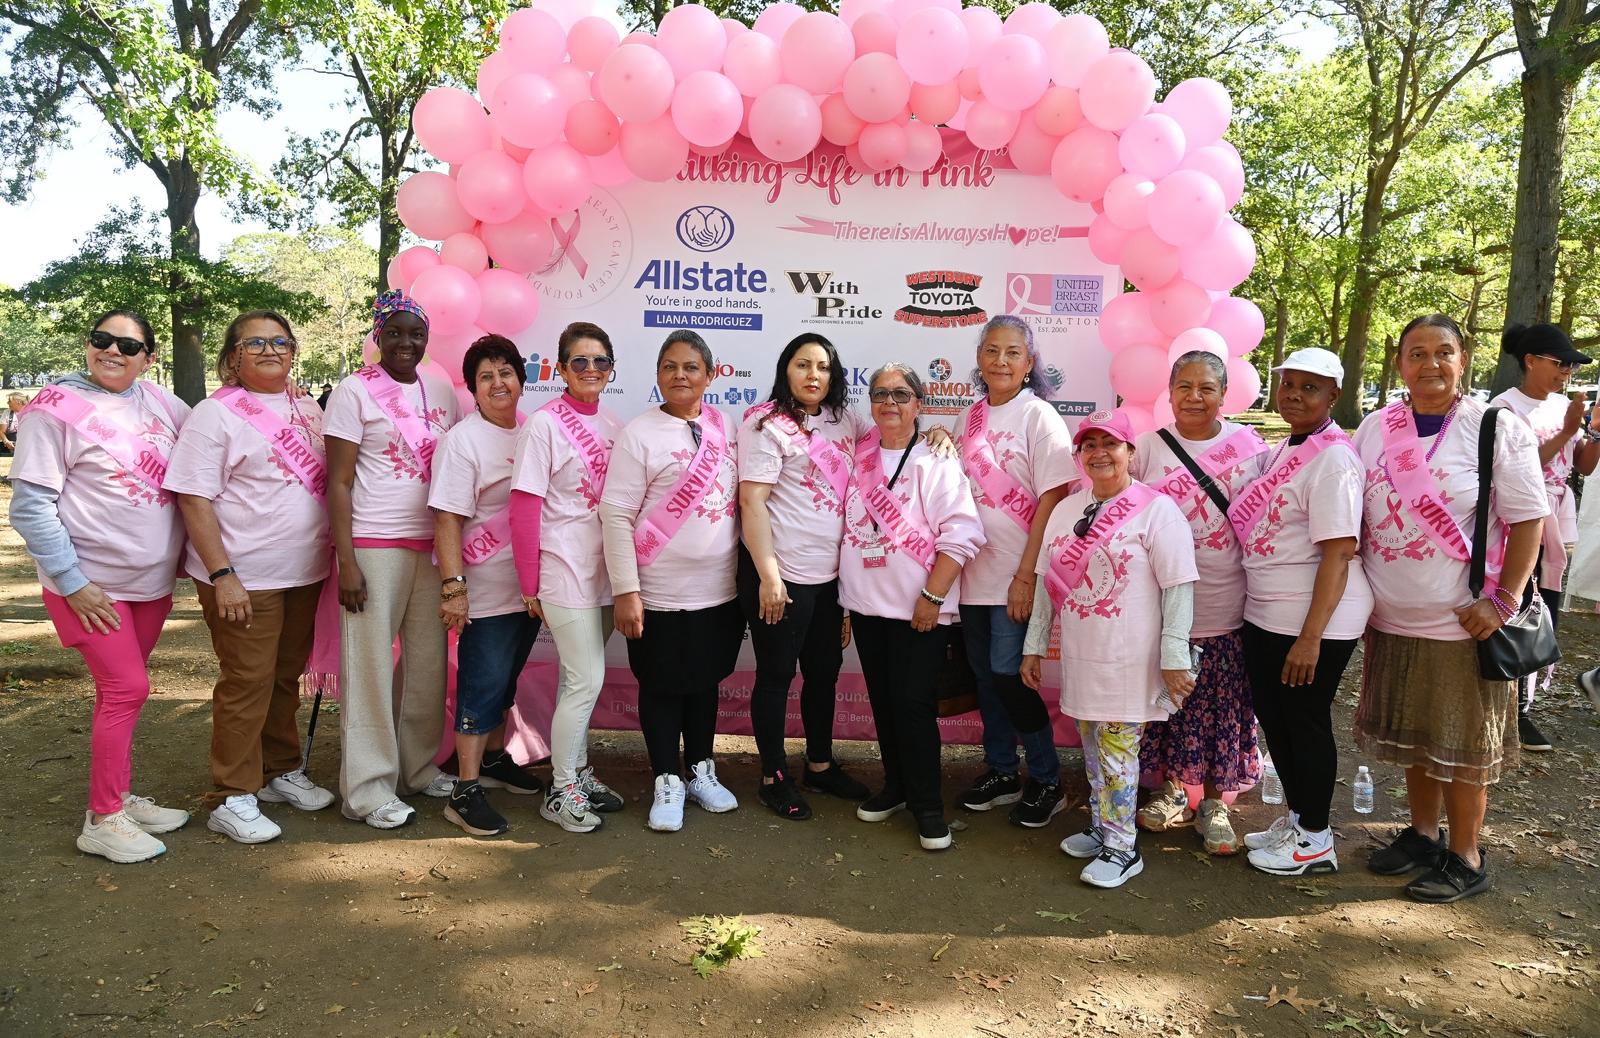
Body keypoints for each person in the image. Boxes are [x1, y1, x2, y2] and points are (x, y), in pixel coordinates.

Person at [1354, 314, 1546, 903]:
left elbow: (1528, 518)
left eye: (1443, 352)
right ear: (1399, 363)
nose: (1430, 365)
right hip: (1392, 619)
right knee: (1416, 739)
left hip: (1465, 623)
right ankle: (1421, 835)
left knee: (1461, 747)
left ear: (1464, 360)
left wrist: (1503, 600)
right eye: (1416, 353)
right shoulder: (1375, 427)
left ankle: (1465, 853)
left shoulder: (1493, 427)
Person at [8, 310, 192, 863]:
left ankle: (120, 795)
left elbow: (212, 435)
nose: (112, 352)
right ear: (88, 345)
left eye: (128, 346)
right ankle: (103, 817)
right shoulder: (53, 410)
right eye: (101, 340)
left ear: (148, 358)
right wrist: (72, 582)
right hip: (90, 586)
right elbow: (32, 507)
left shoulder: (161, 403)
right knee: (127, 689)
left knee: (123, 695)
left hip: (151, 583)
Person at [167, 311, 336, 845]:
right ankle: (231, 794)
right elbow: (193, 497)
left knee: (286, 675)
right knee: (246, 682)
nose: (270, 350)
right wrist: (223, 574)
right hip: (244, 575)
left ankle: (278, 769)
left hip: (303, 572)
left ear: (293, 350)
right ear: (233, 354)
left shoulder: (306, 405)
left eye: (280, 341)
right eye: (255, 342)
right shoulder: (215, 415)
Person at [1021, 409, 1197, 889]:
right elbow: (1044, 583)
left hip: (1130, 660)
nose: (1100, 453)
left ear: (1130, 452)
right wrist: (1034, 645)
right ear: (1079, 455)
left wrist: (1174, 654)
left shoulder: (1157, 510)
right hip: (1083, 655)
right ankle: (1103, 827)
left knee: (1120, 753)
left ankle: (1123, 849)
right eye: (1090, 445)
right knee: (1095, 750)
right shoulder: (1065, 510)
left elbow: (1178, 587)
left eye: (1110, 443)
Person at [323, 290, 462, 830]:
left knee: (427, 666)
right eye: (396, 332)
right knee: (370, 670)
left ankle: (418, 769)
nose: (407, 342)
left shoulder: (442, 387)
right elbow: (337, 483)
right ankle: (366, 787)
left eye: (416, 333)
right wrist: (347, 561)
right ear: (378, 335)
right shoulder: (354, 392)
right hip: (374, 544)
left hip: (430, 546)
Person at [1233, 348, 1373, 876]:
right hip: (1269, 610)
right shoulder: (1285, 448)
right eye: (1287, 383)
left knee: (1305, 721)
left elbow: (1339, 551)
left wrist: (1311, 638)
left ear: (1333, 395)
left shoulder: (1333, 458)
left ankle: (1315, 837)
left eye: (1309, 387)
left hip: (1313, 618)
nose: (1293, 394)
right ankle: (1297, 816)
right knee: (1277, 719)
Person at [839, 364, 985, 851]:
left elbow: (962, 535)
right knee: (883, 703)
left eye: (901, 394)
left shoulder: (936, 460)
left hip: (920, 610)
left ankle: (927, 805)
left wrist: (932, 596)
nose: (890, 402)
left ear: (919, 404)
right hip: (866, 607)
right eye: (880, 393)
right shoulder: (858, 454)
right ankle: (896, 787)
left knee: (914, 707)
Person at [601, 331, 743, 832]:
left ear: (710, 373)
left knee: (705, 682)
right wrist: (626, 589)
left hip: (718, 591)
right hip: (656, 592)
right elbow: (616, 514)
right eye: (669, 366)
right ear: (658, 374)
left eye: (690, 366)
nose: (679, 375)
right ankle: (667, 777)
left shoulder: (726, 426)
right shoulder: (639, 433)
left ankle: (701, 770)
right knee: (660, 685)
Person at [1129, 351, 1267, 855]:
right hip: (1160, 600)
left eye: (1206, 387)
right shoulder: (1146, 448)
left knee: (1221, 704)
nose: (1194, 397)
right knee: (1167, 701)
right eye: (1184, 386)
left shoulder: (1249, 448)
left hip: (1226, 597)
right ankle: (1169, 790)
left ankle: (1212, 802)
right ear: (1168, 392)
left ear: (1223, 395)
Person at [738, 333, 872, 819]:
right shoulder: (764, 422)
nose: (814, 375)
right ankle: (773, 776)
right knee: (776, 677)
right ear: (785, 369)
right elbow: (751, 501)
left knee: (824, 675)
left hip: (832, 578)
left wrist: (935, 434)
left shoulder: (845, 422)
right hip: (782, 575)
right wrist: (768, 576)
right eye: (802, 365)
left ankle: (819, 764)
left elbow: (891, 446)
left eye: (823, 367)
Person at [955, 315, 1075, 826]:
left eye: (1012, 353)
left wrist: (1027, 574)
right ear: (980, 358)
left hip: (1015, 574)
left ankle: (1048, 779)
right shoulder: (969, 418)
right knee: (986, 680)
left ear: (1029, 364)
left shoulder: (1039, 416)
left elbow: (1053, 496)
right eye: (992, 351)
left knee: (1011, 676)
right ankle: (1002, 769)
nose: (1001, 361)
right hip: (971, 575)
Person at [510, 322, 627, 833]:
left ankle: (577, 771)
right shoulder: (543, 425)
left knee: (576, 682)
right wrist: (529, 582)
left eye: (601, 361)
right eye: (580, 361)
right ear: (560, 368)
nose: (591, 370)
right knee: (587, 680)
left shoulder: (614, 424)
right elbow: (524, 506)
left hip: (602, 573)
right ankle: (560, 791)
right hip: (562, 570)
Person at [429, 335, 548, 837]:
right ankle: (465, 788)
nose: (498, 383)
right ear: (473, 390)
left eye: (506, 372)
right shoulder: (464, 441)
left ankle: (497, 759)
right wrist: (455, 588)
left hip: (528, 589)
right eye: (485, 376)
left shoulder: (532, 431)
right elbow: (448, 519)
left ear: (522, 380)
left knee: (505, 682)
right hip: (484, 590)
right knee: (481, 685)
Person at [1491, 323, 1599, 752]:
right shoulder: (1503, 408)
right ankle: (1508, 708)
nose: (1567, 372)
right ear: (1531, 360)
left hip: (1554, 520)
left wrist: (1593, 431)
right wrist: (1566, 430)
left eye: (1572, 366)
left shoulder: (1563, 407)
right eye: (1560, 363)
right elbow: (1517, 467)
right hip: (1516, 522)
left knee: (1544, 612)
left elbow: (1584, 466)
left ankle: (1523, 708)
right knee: (1515, 606)